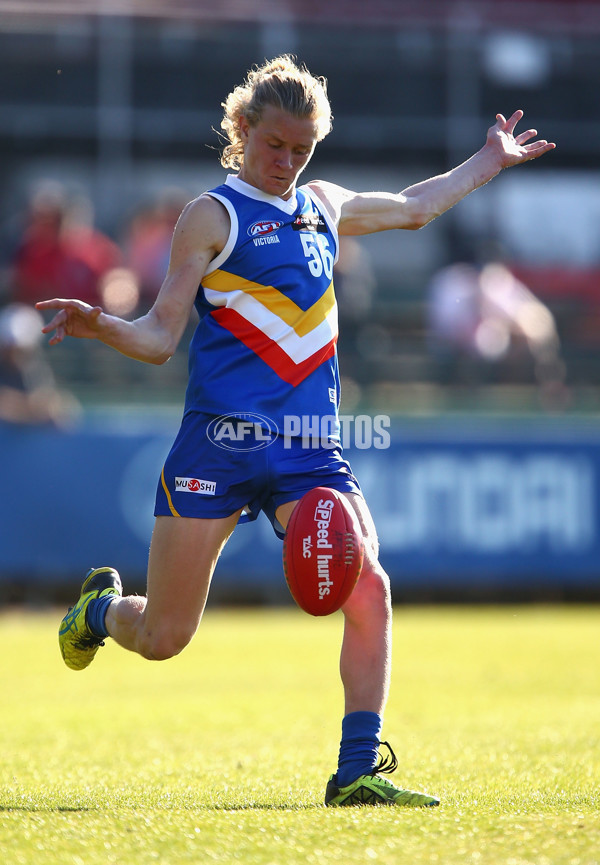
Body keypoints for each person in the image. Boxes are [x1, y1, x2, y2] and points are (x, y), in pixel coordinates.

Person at [37, 56, 555, 808]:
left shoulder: (323, 204)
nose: (287, 162)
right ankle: (101, 610)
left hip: (310, 444)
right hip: (217, 443)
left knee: (370, 584)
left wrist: (488, 159)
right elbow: (157, 339)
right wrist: (100, 325)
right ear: (243, 129)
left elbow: (413, 206)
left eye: (302, 149)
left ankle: (355, 769)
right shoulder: (212, 216)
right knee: (165, 636)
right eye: (275, 144)